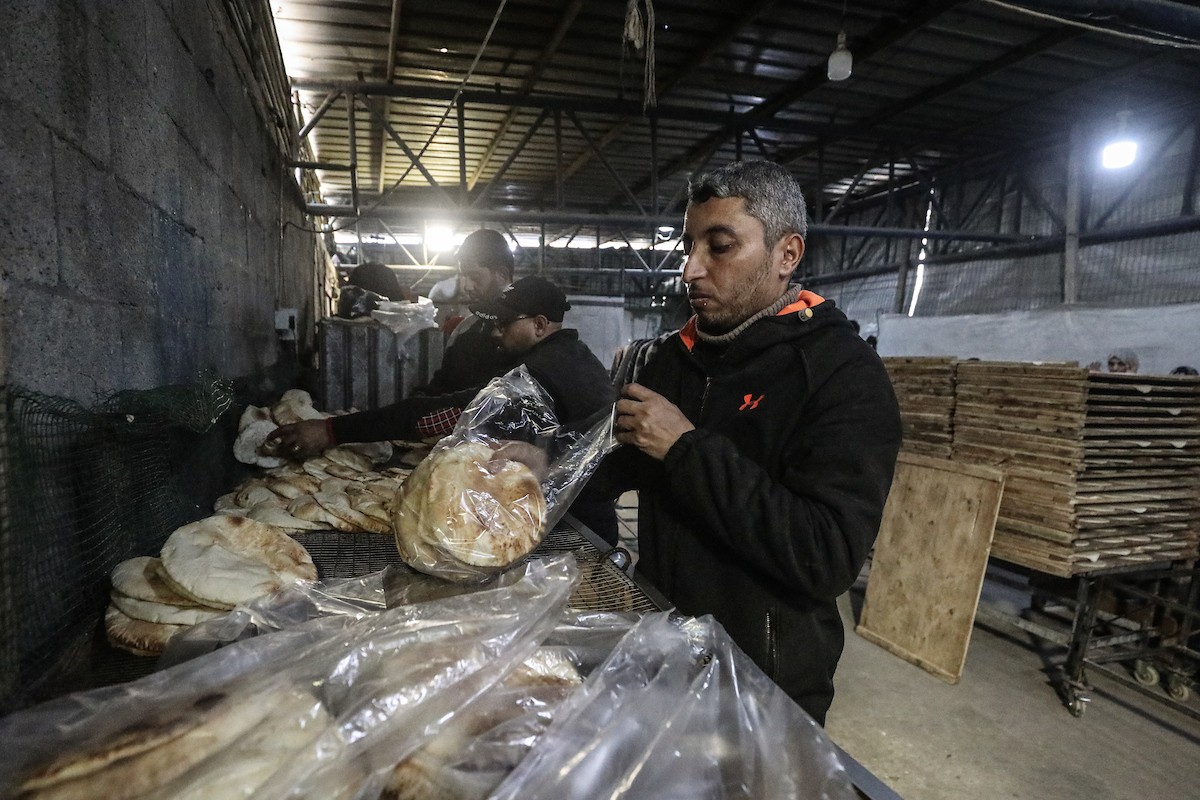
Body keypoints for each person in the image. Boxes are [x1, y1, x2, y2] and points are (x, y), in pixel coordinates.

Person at [596, 160, 902, 725]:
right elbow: (623, 462)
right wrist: (546, 465)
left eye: (720, 247)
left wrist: (686, 449)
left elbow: (826, 554)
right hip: (662, 650)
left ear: (787, 255)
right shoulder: (674, 358)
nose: (690, 269)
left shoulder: (840, 374)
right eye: (689, 245)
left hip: (761, 687)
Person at [265, 276, 621, 543]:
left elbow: (436, 415)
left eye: (503, 324)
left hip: (572, 528)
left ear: (539, 325)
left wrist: (331, 431)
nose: (495, 333)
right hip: (584, 514)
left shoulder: (539, 374)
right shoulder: (575, 357)